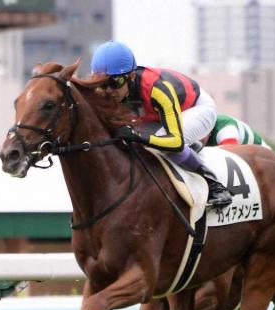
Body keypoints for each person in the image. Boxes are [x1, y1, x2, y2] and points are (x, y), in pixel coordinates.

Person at [90, 40, 232, 207]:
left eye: (115, 82)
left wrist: (140, 137)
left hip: (197, 109)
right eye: (102, 84)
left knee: (163, 143)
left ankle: (214, 185)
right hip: (157, 117)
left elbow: (175, 141)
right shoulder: (106, 93)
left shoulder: (157, 88)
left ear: (132, 76)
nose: (108, 91)